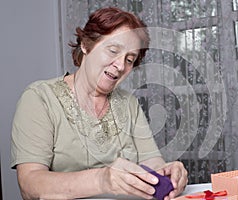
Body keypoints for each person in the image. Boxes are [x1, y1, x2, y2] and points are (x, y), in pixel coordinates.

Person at [11, 7, 188, 200]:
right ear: (86, 45)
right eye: (113, 51)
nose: (121, 66)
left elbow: (151, 162)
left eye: (130, 60)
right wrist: (102, 180)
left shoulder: (129, 103)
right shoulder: (39, 98)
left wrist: (166, 173)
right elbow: (30, 184)